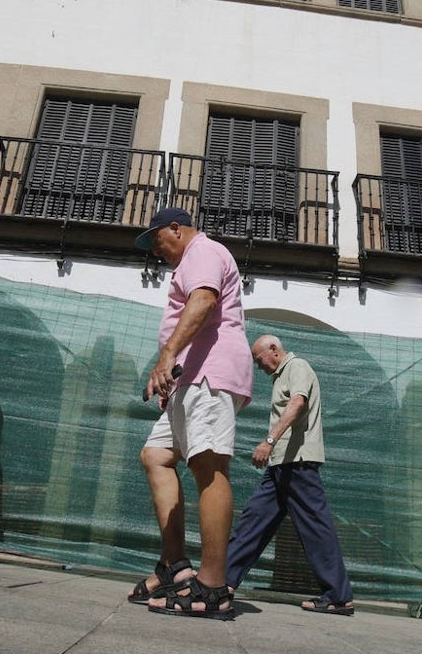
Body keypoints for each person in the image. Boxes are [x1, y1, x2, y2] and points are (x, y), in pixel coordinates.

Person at [130, 207, 253, 620]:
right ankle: (175, 566)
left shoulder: (203, 250)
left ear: (176, 229)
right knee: (157, 455)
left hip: (211, 373)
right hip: (190, 376)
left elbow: (202, 302)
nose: (155, 250)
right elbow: (189, 317)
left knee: (208, 465)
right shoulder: (190, 259)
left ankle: (214, 585)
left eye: (156, 240)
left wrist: (167, 356)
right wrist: (166, 370)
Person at [225, 334, 354, 616]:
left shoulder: (298, 367)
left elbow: (297, 404)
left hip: (298, 464)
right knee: (254, 520)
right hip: (281, 465)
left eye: (260, 360)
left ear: (274, 349)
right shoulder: (281, 376)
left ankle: (338, 596)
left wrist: (268, 441)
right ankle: (222, 581)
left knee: (315, 528)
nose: (259, 367)